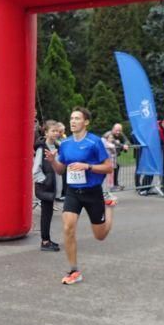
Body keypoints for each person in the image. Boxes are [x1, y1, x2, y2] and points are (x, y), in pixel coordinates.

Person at [46, 107, 114, 285]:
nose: (73, 121)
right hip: (73, 192)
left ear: (86, 122)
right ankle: (73, 270)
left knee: (100, 236)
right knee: (68, 228)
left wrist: (88, 166)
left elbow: (109, 167)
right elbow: (60, 170)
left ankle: (109, 209)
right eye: (71, 118)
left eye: (77, 118)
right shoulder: (66, 144)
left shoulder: (94, 142)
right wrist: (53, 161)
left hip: (92, 192)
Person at [33, 120, 61, 252]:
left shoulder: (56, 146)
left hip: (53, 186)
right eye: (53, 131)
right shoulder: (41, 148)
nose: (56, 133)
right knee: (46, 214)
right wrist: (45, 181)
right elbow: (35, 169)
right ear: (46, 132)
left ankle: (47, 239)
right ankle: (45, 241)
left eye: (57, 131)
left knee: (49, 214)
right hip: (46, 187)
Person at [103, 123, 129, 191]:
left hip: (112, 157)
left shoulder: (120, 133)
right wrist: (122, 146)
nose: (118, 132)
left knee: (116, 167)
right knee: (108, 171)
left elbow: (126, 140)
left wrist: (125, 145)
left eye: (119, 130)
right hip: (105, 156)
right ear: (113, 129)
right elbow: (113, 142)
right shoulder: (108, 134)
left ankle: (114, 185)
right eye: (117, 130)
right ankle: (111, 186)